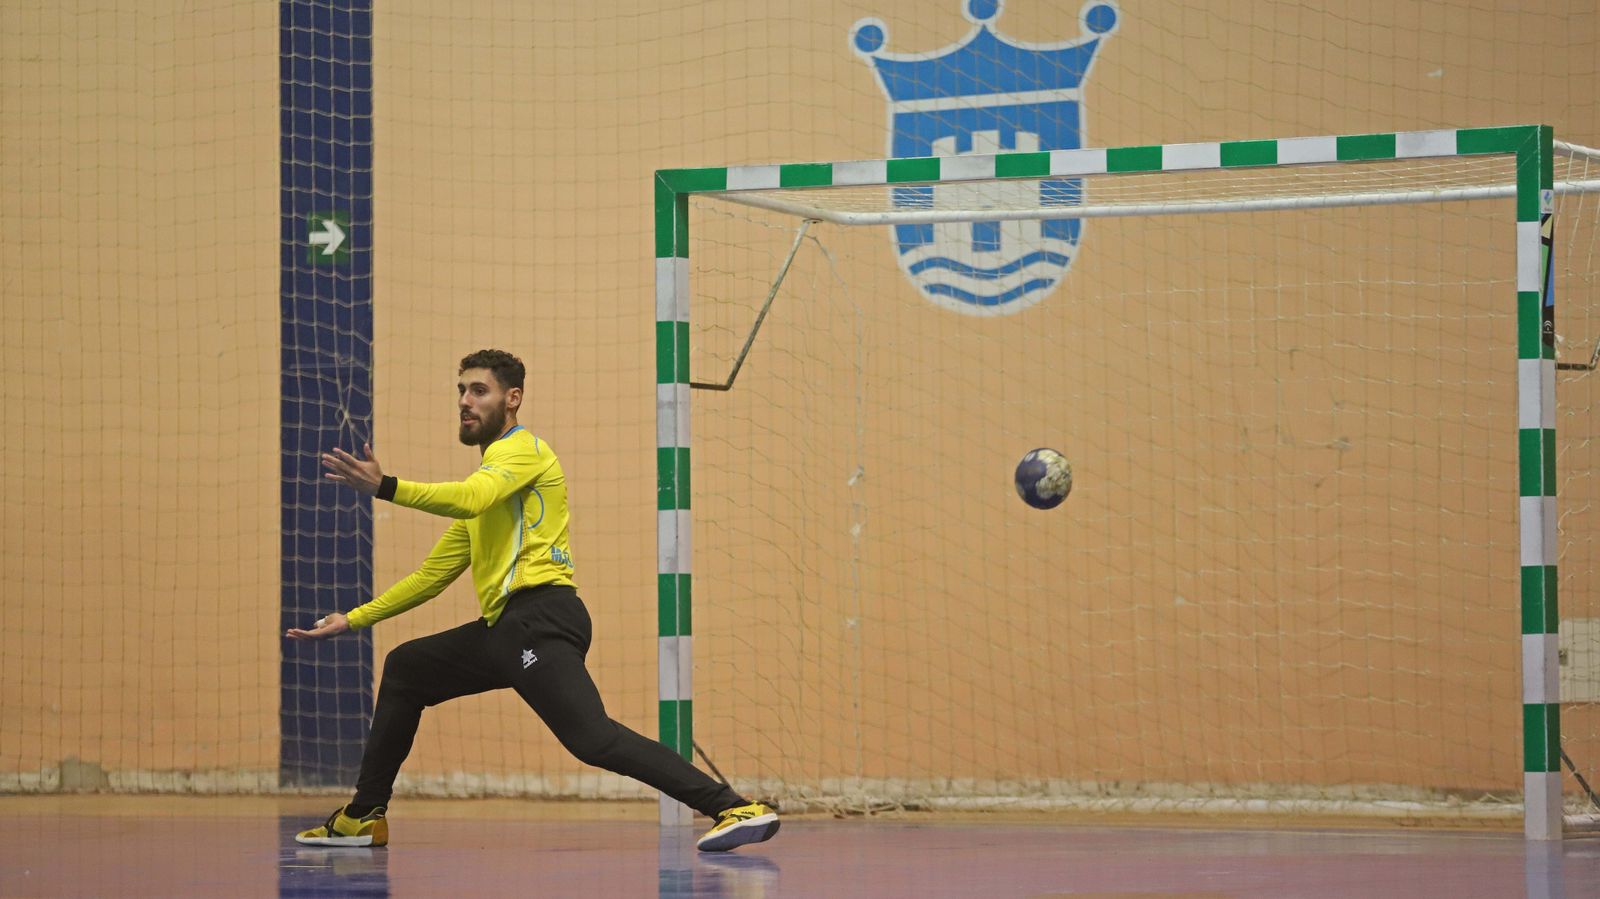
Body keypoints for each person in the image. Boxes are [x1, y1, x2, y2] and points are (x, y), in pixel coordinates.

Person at [286, 348, 778, 853]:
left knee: (593, 740)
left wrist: (385, 486)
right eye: (461, 391)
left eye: (479, 390)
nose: (465, 401)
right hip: (504, 629)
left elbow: (471, 496)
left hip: (540, 617)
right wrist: (354, 618)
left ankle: (734, 806)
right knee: (407, 667)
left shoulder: (522, 451)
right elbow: (432, 575)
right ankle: (363, 815)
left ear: (512, 398)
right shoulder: (490, 494)